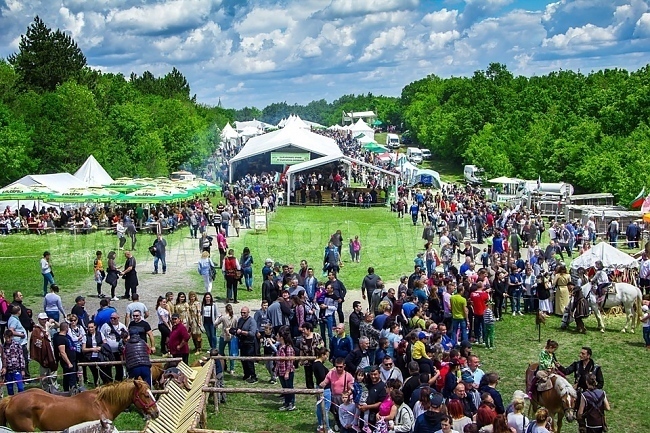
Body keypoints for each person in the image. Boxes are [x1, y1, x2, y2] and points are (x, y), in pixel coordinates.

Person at [30, 312, 57, 389]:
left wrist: (54, 321)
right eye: (42, 319)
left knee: (53, 366)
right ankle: (44, 387)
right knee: (44, 370)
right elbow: (35, 342)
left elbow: (57, 325)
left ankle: (54, 386)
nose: (44, 321)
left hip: (50, 349)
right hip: (42, 352)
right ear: (39, 320)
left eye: (45, 319)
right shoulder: (36, 330)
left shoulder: (47, 325)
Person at [275, 328, 297, 411]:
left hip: (287, 371)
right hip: (281, 371)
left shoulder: (288, 348)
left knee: (289, 387)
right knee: (284, 388)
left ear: (282, 337)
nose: (276, 337)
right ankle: (286, 402)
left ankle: (291, 403)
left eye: (277, 335)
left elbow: (290, 361)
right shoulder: (280, 346)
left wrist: (287, 372)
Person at [236, 306, 258, 383]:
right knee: (243, 360)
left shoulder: (252, 321)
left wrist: (242, 332)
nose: (242, 314)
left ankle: (253, 376)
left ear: (248, 313)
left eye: (244, 313)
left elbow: (252, 333)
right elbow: (238, 329)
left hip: (250, 343)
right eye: (241, 312)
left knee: (249, 360)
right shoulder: (240, 320)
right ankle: (246, 374)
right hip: (242, 343)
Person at [54, 321, 78, 391]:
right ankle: (69, 392)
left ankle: (72, 390)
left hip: (72, 360)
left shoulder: (66, 336)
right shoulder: (60, 338)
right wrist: (68, 363)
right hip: (67, 362)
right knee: (69, 378)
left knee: (72, 378)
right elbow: (62, 352)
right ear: (66, 328)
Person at [7, 304, 28, 378]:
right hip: (20, 343)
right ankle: (25, 376)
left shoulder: (13, 318)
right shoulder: (14, 320)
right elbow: (11, 331)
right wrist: (20, 335)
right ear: (19, 311)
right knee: (23, 360)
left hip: (20, 342)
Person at [217, 303, 238, 375]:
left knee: (221, 352)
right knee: (231, 353)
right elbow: (235, 327)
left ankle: (222, 366)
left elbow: (215, 324)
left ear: (226, 310)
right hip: (231, 337)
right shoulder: (235, 317)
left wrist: (218, 317)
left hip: (224, 336)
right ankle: (232, 369)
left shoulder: (223, 317)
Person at [3, 328, 25, 395]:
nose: (7, 340)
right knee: (9, 389)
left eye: (9, 338)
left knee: (20, 387)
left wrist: (22, 369)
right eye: (6, 338)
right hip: (8, 371)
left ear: (12, 337)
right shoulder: (3, 347)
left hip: (17, 370)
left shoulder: (17, 345)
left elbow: (21, 357)